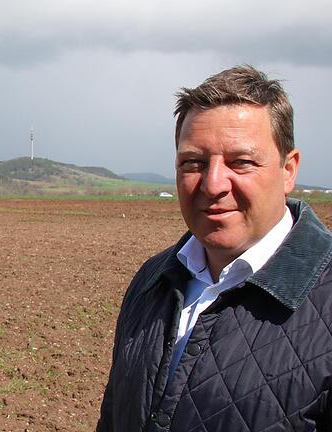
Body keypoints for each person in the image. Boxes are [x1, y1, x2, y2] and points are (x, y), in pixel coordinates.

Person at [97, 65, 332, 431]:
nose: (213, 184)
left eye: (241, 162)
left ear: (288, 170)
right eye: (194, 163)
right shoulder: (152, 281)